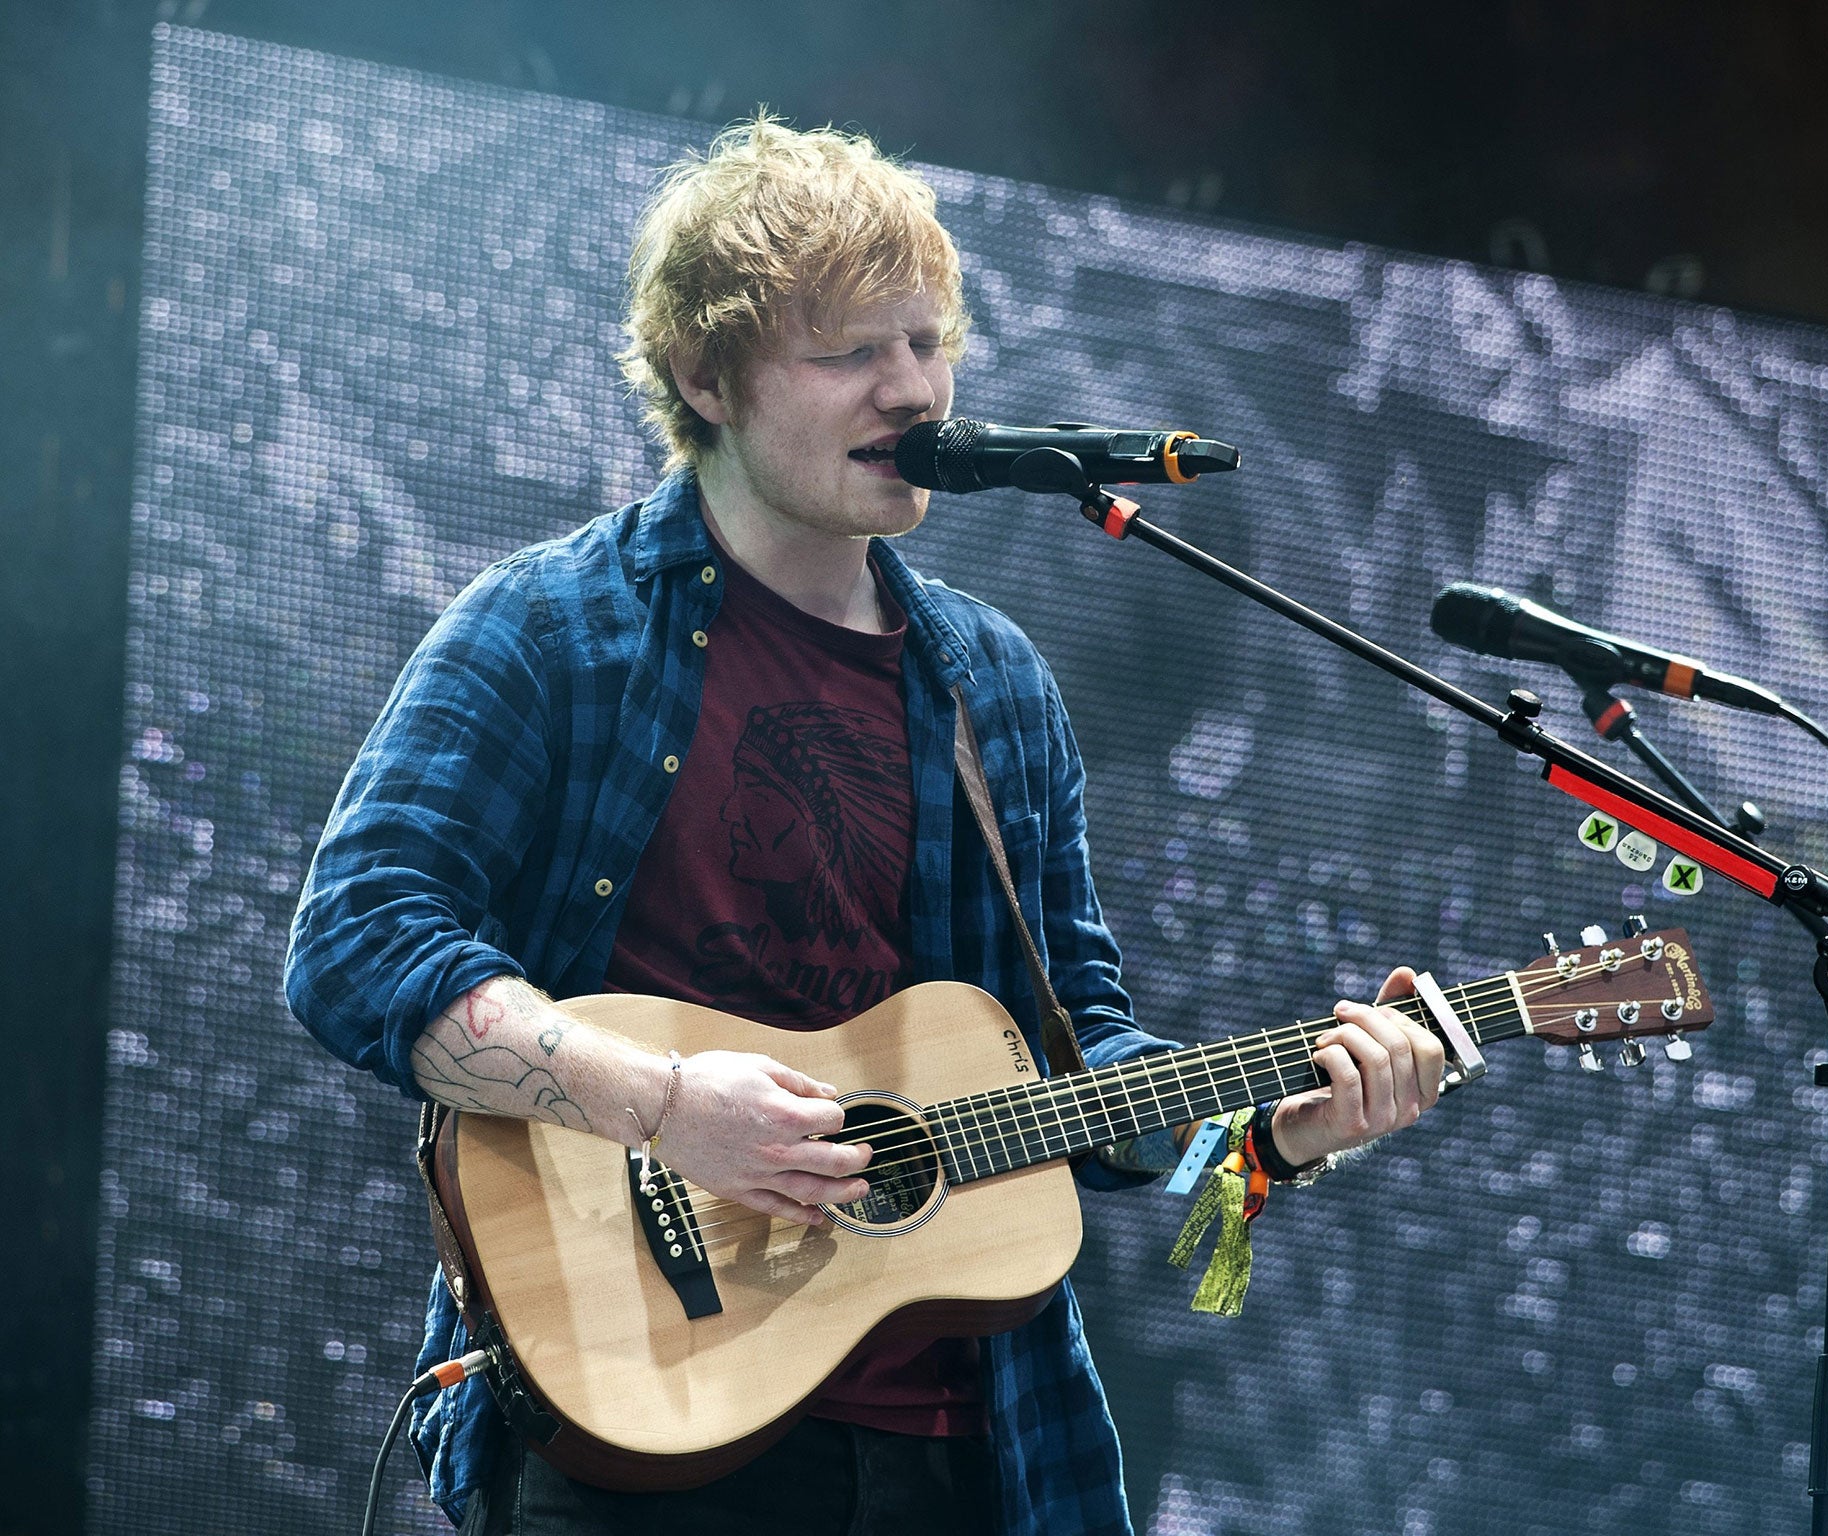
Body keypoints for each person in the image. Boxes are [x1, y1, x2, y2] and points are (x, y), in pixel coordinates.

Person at [284, 115, 1445, 1536]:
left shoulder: (994, 681)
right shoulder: (549, 627)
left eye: (928, 342)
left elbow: (1073, 1059)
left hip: (968, 1456)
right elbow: (354, 940)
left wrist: (1275, 1128)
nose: (911, 388)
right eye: (849, 353)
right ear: (705, 376)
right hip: (636, 1421)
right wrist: (663, 1108)